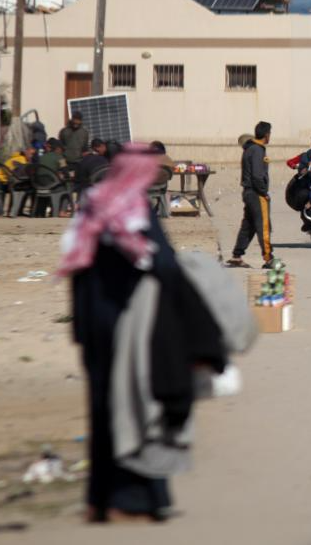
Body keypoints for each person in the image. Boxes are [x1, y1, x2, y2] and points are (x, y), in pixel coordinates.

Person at [58, 145, 228, 523]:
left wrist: (81, 330)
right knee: (137, 410)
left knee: (102, 411)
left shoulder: (92, 207)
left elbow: (76, 267)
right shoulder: (133, 210)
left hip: (93, 326)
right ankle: (132, 499)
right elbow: (163, 265)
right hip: (130, 328)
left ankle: (99, 499)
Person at [227, 122, 274, 269]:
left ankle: (236, 256)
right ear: (266, 135)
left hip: (248, 192)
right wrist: (264, 192)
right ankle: (269, 258)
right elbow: (257, 176)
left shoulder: (250, 148)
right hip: (256, 193)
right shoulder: (257, 150)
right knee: (263, 226)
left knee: (248, 225)